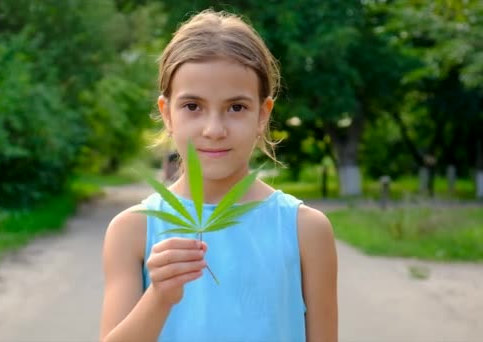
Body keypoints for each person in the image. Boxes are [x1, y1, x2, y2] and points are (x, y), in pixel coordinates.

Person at [99, 9, 338, 342]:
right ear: (167, 113)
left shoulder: (305, 230)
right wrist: (159, 297)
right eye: (193, 106)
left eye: (236, 107)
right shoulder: (133, 230)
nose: (214, 130)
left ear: (262, 115)